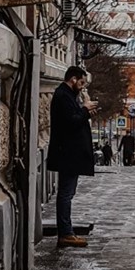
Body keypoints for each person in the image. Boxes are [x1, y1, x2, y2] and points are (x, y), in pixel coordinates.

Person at [47, 66, 98, 248]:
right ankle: (66, 233)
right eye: (81, 82)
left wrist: (85, 112)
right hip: (67, 154)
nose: (82, 87)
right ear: (73, 79)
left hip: (69, 153)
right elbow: (71, 122)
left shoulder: (67, 95)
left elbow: (75, 118)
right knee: (66, 194)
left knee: (67, 193)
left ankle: (67, 232)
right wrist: (84, 110)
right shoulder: (63, 96)